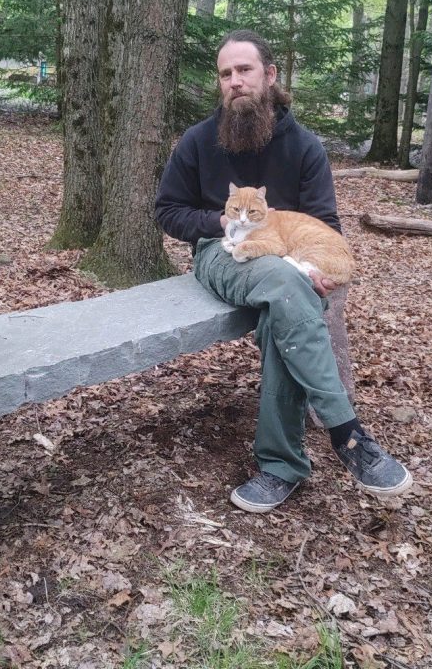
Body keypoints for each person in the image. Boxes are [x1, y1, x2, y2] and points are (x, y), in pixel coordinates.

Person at [155, 29, 412, 513]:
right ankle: (347, 433)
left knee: (284, 307)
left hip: (294, 260)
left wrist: (314, 267)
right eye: (225, 73)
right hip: (223, 255)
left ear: (270, 76)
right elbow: (168, 211)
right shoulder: (196, 142)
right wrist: (221, 221)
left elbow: (327, 224)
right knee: (284, 283)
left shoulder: (305, 147)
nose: (234, 81)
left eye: (244, 70)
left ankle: (280, 468)